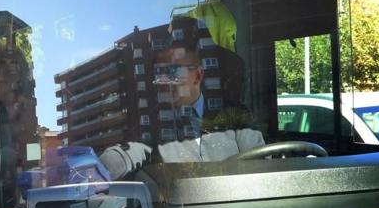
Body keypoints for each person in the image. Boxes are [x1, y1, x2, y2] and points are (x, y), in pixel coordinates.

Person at [99, 15, 263, 179]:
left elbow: (262, 169)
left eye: (173, 71)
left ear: (198, 76)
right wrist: (102, 167)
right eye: (160, 72)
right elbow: (132, 150)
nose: (164, 80)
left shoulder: (236, 117)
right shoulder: (155, 122)